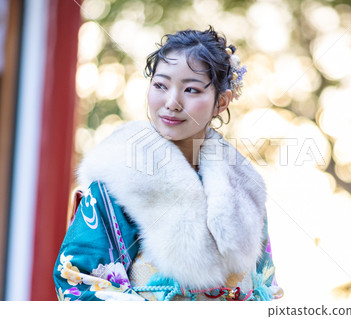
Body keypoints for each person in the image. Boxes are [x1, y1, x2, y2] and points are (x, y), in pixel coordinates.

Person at [53, 27, 283, 301]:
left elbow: (266, 285)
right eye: (160, 85)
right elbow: (78, 279)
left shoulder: (244, 188)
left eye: (191, 89)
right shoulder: (114, 185)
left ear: (221, 101)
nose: (172, 103)